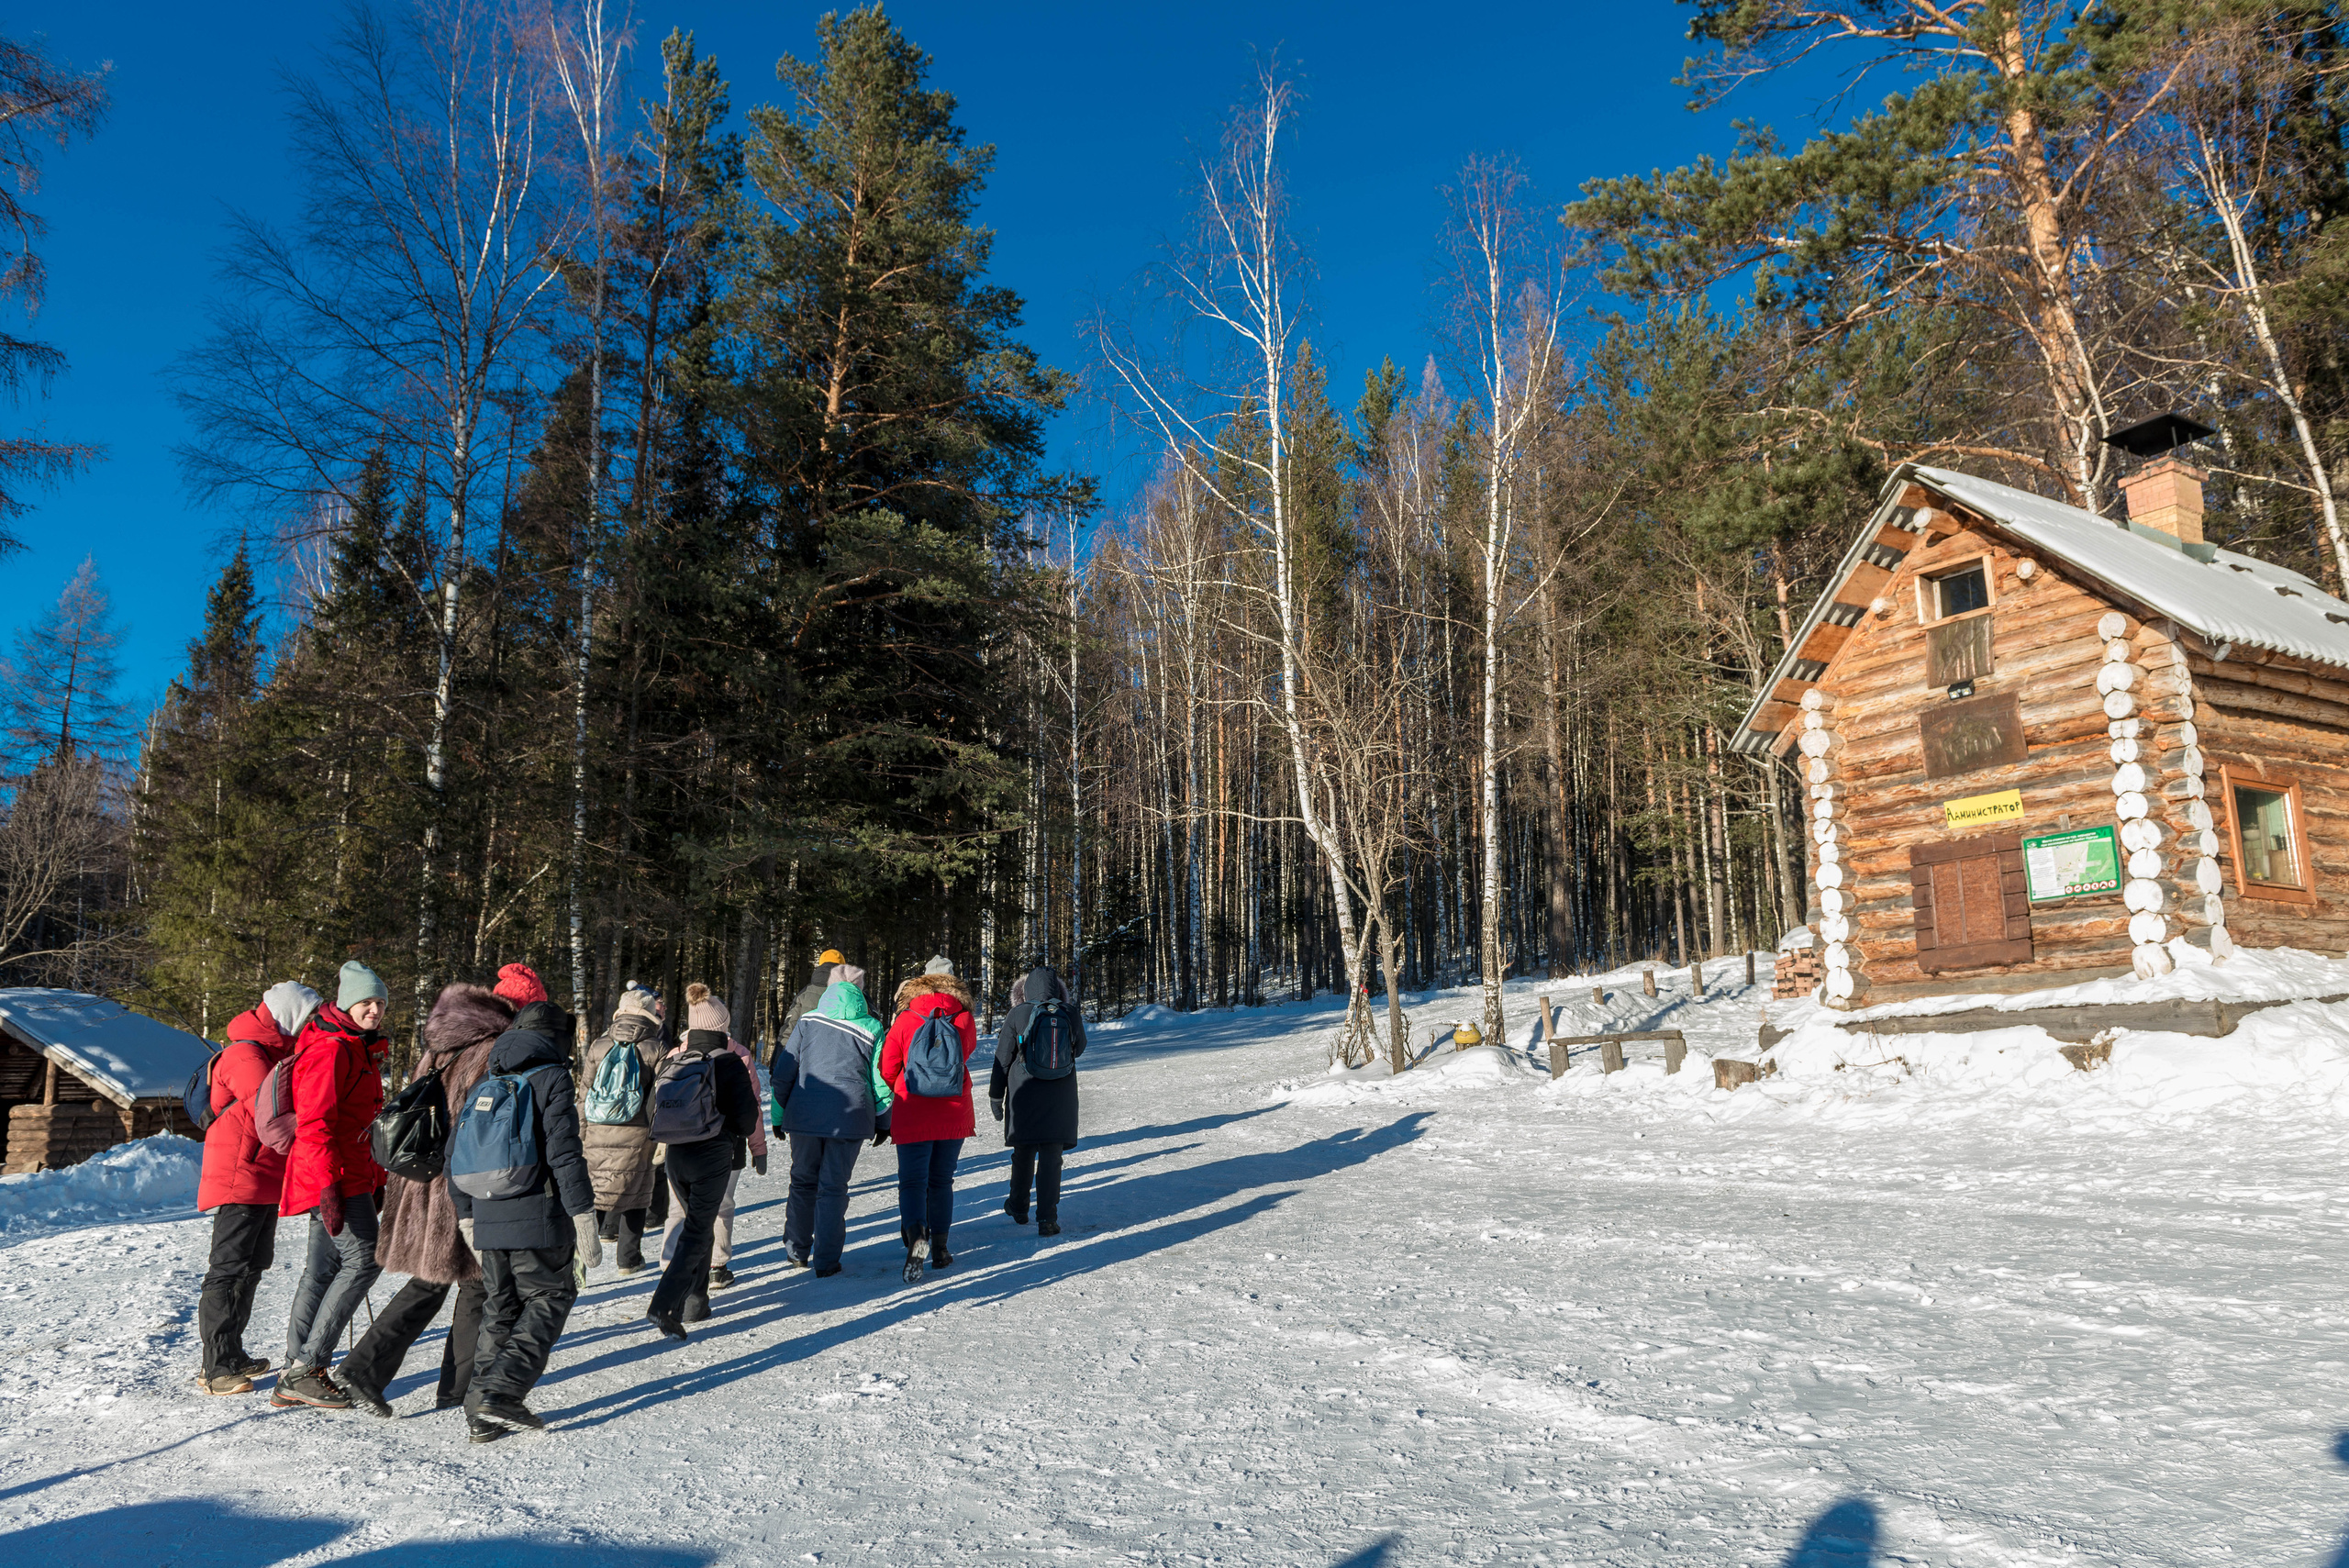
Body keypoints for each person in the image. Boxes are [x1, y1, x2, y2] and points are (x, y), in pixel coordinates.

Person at [335, 981, 515, 1417]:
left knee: (439, 1279)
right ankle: (445, 1386)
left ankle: (371, 1372)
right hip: (459, 1182)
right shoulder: (493, 1050)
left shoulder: (441, 1045)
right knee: (472, 1282)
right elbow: (483, 1125)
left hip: (422, 1180)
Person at [450, 994, 597, 1441]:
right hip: (538, 1213)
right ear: (554, 1038)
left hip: (489, 1211)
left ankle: (480, 1412)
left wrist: (467, 1215)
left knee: (501, 1308)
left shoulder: (486, 1079)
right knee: (550, 1296)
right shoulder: (552, 1077)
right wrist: (583, 1215)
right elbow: (565, 1153)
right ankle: (502, 1392)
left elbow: (455, 1154)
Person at [275, 962, 393, 1411]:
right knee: (364, 1259)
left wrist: (375, 1178)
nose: (374, 1010)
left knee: (322, 1269)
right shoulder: (331, 1049)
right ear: (347, 1003)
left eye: (380, 1002)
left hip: (347, 1174)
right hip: (331, 1176)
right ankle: (308, 1368)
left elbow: (360, 1125)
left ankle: (294, 1368)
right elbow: (316, 1124)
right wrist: (329, 1187)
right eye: (366, 1002)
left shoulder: (356, 1046)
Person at [194, 980, 319, 1396]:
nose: (312, 1024)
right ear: (289, 1016)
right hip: (239, 1175)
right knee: (229, 1268)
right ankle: (216, 1367)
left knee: (252, 1266)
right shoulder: (245, 1055)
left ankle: (232, 1354)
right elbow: (274, 1113)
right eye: (307, 1017)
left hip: (262, 1175)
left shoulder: (275, 1054)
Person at [644, 997, 760, 1340]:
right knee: (697, 1229)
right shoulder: (729, 1062)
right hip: (712, 1156)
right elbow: (747, 1119)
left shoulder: (674, 1059)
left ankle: (695, 1303)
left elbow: (651, 1109)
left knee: (696, 1225)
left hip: (676, 1156)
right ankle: (664, 1304)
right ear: (722, 1026)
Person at [772, 964, 888, 1276]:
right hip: (851, 1117)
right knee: (834, 1188)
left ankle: (797, 1251)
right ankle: (826, 1261)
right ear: (860, 990)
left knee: (802, 1182)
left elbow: (784, 1073)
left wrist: (778, 1116)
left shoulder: (808, 1021)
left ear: (830, 988)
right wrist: (883, 1120)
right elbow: (880, 1082)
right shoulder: (872, 1026)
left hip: (804, 1114)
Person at [878, 957, 977, 1284]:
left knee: (912, 1182)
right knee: (941, 1181)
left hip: (913, 1109)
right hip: (953, 1109)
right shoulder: (964, 1017)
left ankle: (917, 1237)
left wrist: (902, 1087)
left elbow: (888, 1066)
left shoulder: (906, 1018)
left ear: (922, 981)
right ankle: (940, 1250)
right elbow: (964, 1055)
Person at [990, 963, 1086, 1239]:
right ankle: (1047, 1219)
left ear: (1025, 990)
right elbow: (1080, 1048)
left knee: (1023, 1152)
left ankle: (1019, 1207)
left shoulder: (1018, 1013)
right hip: (1060, 1097)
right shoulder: (1069, 1012)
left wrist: (996, 1095)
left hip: (1024, 1094)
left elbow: (1003, 1058)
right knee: (1051, 1157)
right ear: (1058, 989)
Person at [583, 981, 667, 1274]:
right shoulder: (656, 1047)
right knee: (637, 1192)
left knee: (595, 1190)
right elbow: (661, 1099)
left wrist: (582, 1133)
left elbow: (584, 1094)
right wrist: (659, 1136)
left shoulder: (599, 1044)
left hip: (597, 1128)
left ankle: (581, 1258)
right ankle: (628, 1259)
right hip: (637, 1132)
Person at [770, 949, 846, 1071]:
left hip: (807, 1063)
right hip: (841, 1065)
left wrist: (776, 1066)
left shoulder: (805, 993)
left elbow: (789, 1029)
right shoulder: (854, 995)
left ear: (820, 966)